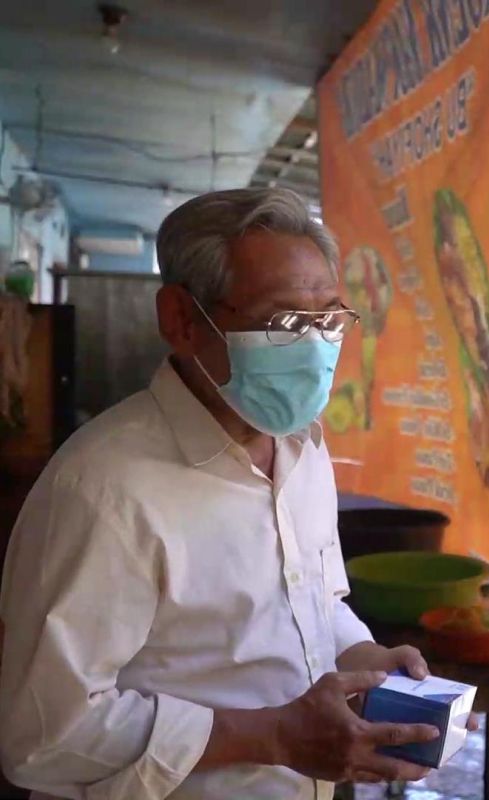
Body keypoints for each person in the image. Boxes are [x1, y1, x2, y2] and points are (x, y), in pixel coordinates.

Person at [0, 188, 447, 799]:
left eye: (329, 318)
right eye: (286, 321)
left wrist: (364, 654)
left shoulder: (304, 450)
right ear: (181, 320)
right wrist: (272, 737)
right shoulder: (102, 490)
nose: (316, 347)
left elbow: (312, 603)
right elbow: (42, 733)